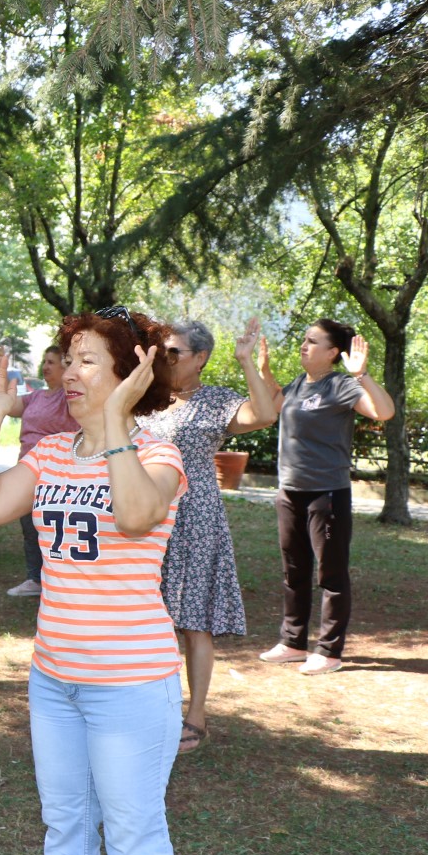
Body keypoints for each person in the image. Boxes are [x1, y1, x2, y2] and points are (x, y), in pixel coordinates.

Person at [0, 306, 188, 855]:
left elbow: (131, 516)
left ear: (130, 374)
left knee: (132, 837)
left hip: (130, 682)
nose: (70, 370)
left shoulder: (159, 454)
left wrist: (118, 419)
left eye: (89, 358)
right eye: (68, 356)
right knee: (64, 827)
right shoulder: (52, 453)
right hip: (54, 676)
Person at [140, 318, 277, 752]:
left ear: (201, 358)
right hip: (142, 512)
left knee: (192, 621)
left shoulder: (216, 400)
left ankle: (195, 716)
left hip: (193, 516)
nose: (166, 358)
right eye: (161, 350)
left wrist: (246, 362)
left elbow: (265, 414)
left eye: (174, 352)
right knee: (143, 615)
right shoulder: (144, 395)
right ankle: (146, 707)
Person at [257, 318, 395, 675]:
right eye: (304, 339)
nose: (304, 345)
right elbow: (272, 409)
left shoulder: (341, 386)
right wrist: (264, 372)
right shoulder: (299, 384)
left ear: (333, 352)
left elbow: (384, 412)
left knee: (330, 575)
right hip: (290, 491)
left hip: (326, 494)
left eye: (312, 341)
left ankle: (330, 651)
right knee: (294, 571)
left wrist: (362, 375)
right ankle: (292, 642)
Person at [3, 343, 80, 597]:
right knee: (30, 527)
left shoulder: (70, 396)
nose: (45, 367)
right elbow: (8, 405)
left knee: (57, 528)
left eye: (52, 362)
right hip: (28, 471)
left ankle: (61, 579)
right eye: (44, 361)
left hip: (58, 472)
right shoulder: (36, 396)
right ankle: (35, 579)